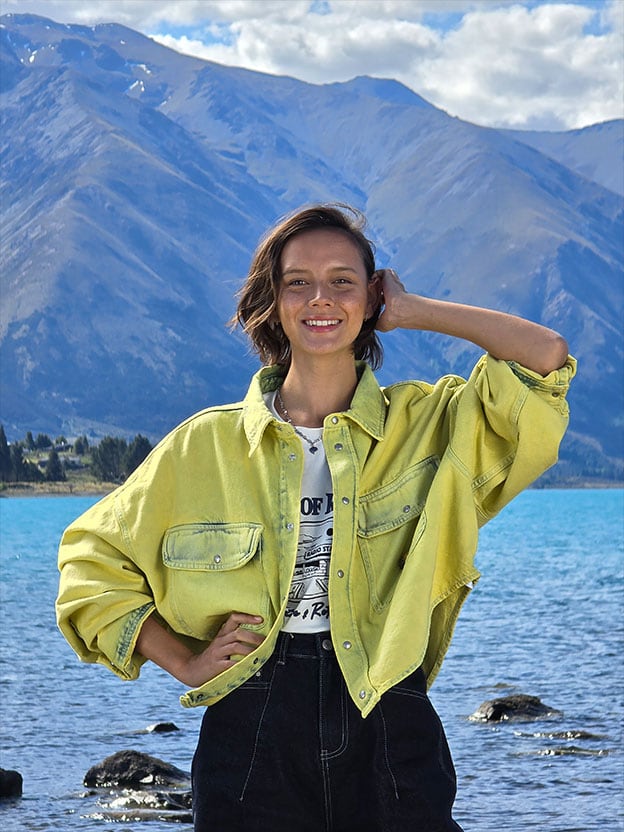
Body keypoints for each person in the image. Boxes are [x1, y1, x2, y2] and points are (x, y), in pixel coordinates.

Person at [56, 204, 575, 831]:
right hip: (250, 725)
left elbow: (544, 359)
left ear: (373, 295)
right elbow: (90, 564)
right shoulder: (205, 447)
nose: (319, 298)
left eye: (343, 281)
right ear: (272, 300)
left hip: (387, 709)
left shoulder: (430, 424)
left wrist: (415, 311)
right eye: (297, 281)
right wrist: (184, 662)